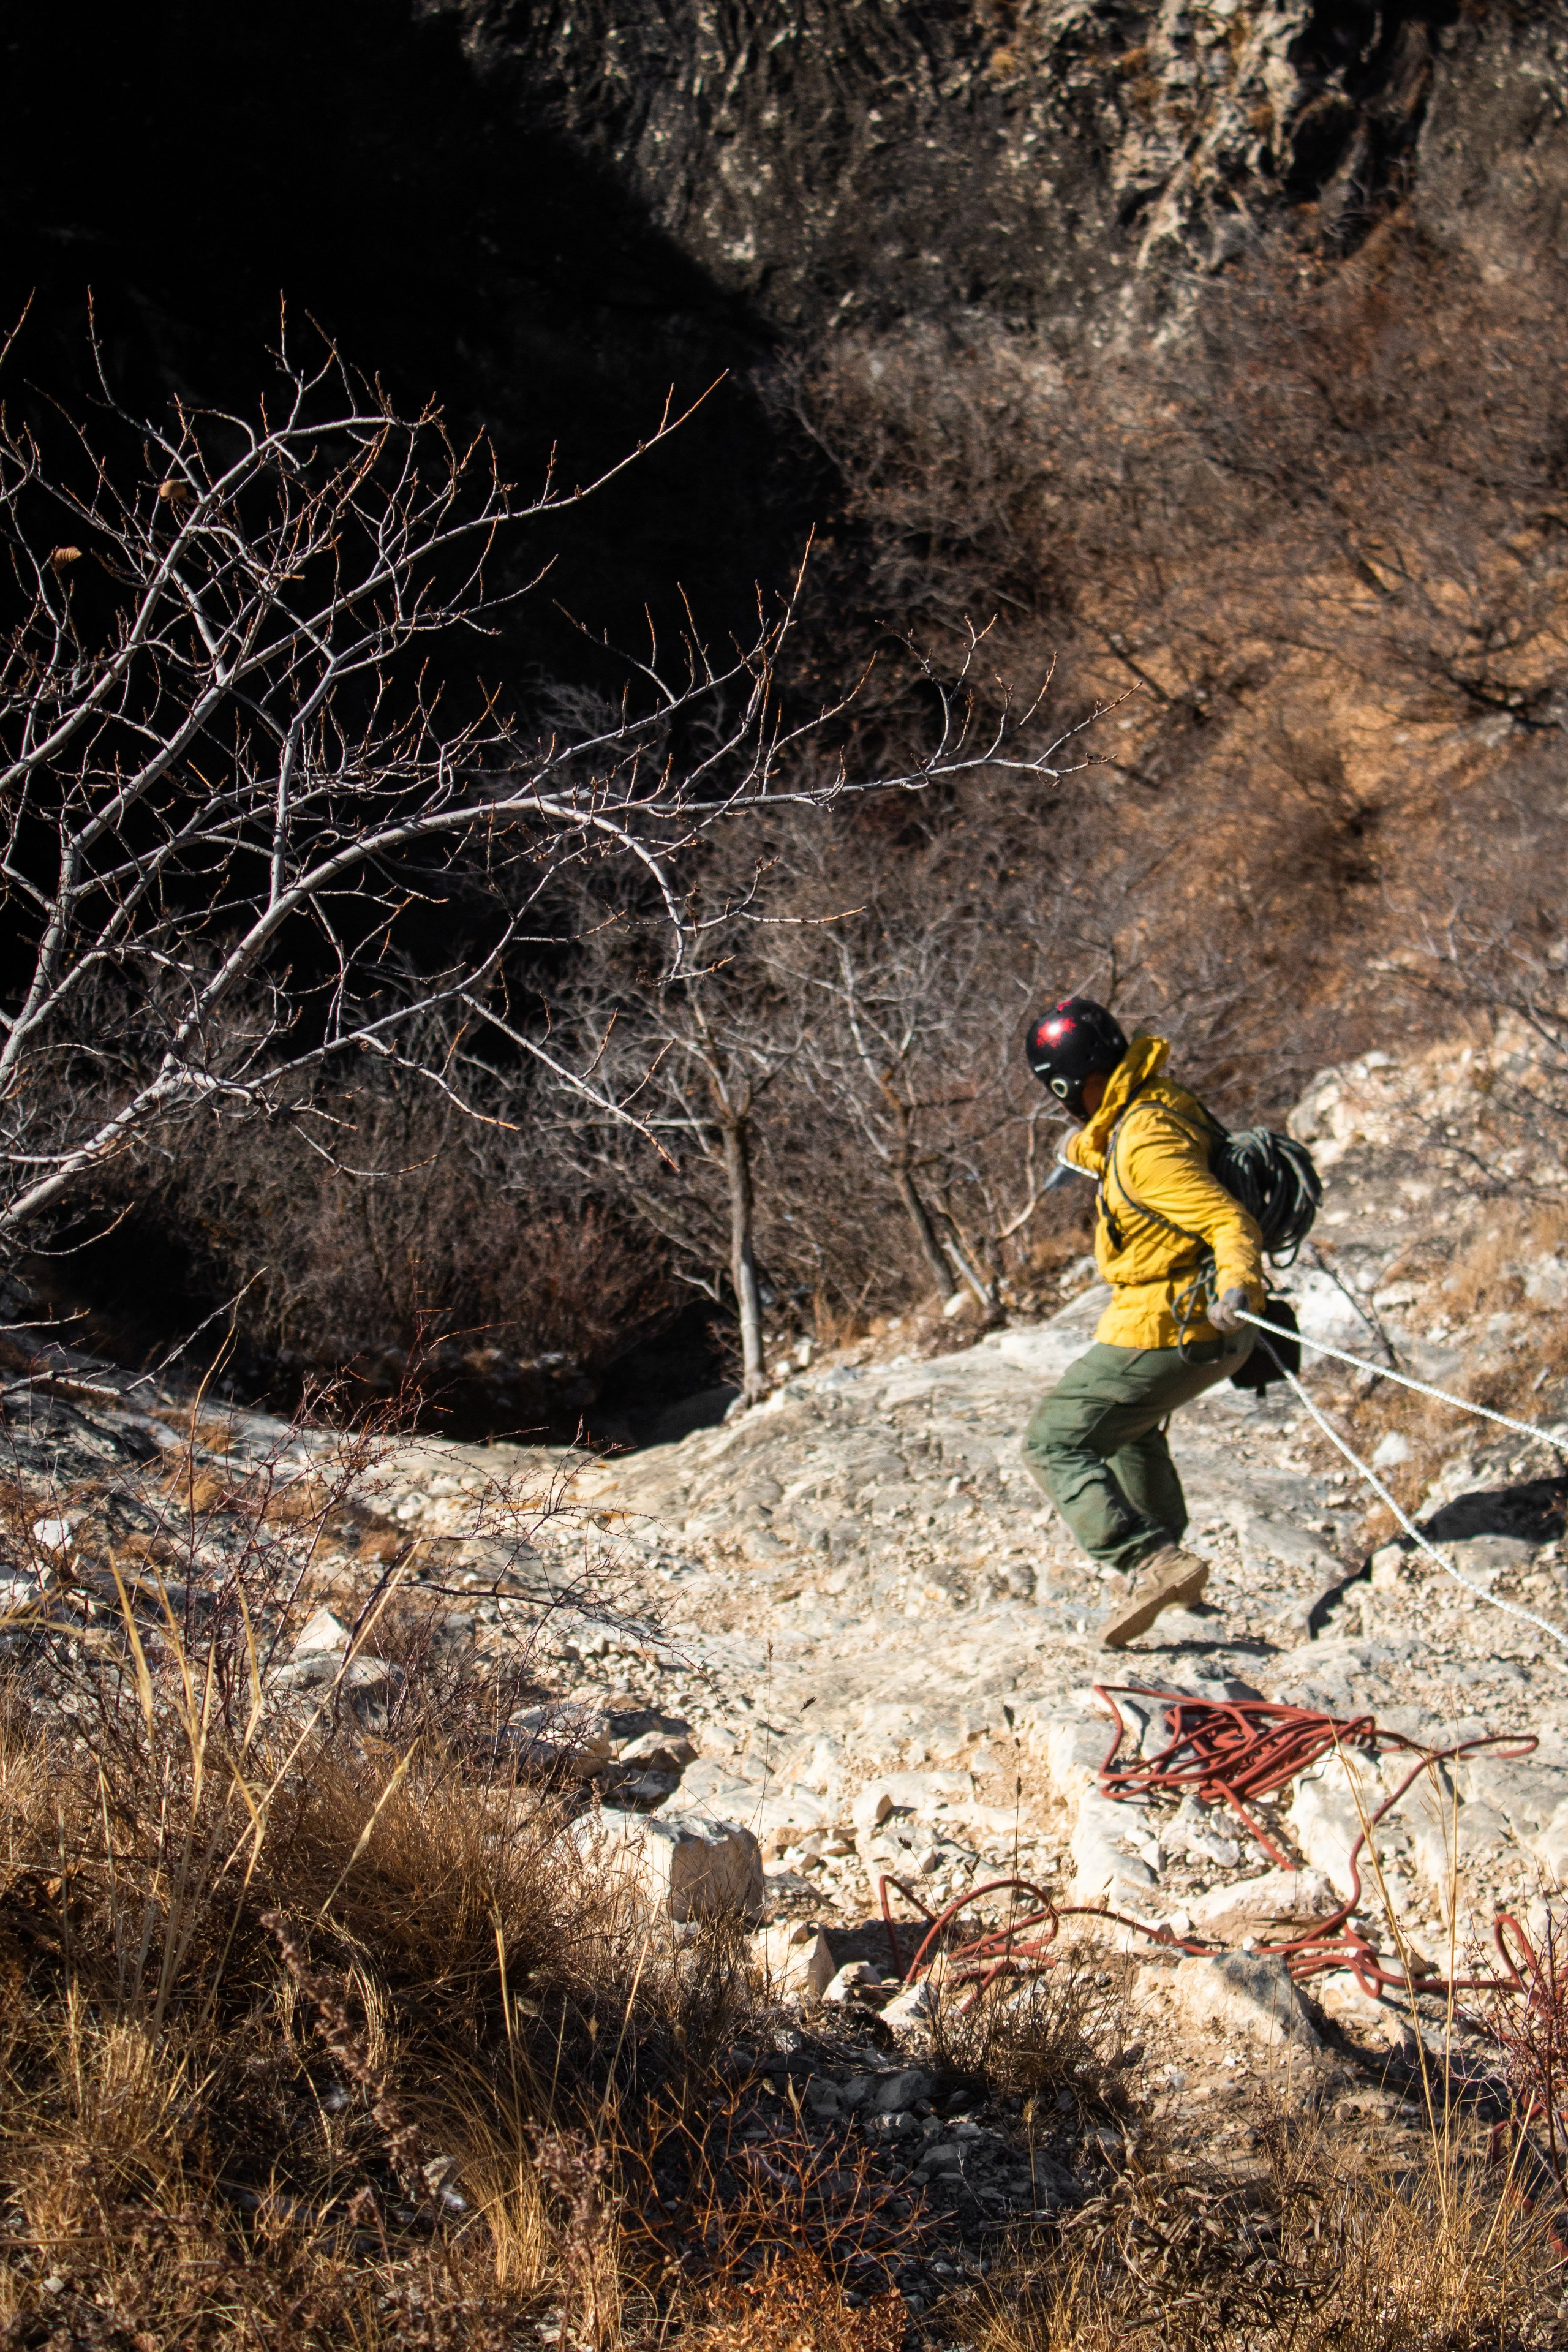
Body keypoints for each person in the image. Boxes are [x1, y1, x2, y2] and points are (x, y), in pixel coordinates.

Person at [1021, 998, 1264, 1648]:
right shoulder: (1155, 1100)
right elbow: (1129, 1157)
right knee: (1129, 1430)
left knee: (1053, 1443)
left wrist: (1240, 1280)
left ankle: (1147, 1562)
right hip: (1215, 1329)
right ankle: (1171, 1565)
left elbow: (1223, 1220)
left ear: (1070, 1083)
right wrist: (1083, 1146)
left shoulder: (1143, 1140)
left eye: (1057, 1091)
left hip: (1178, 1325)